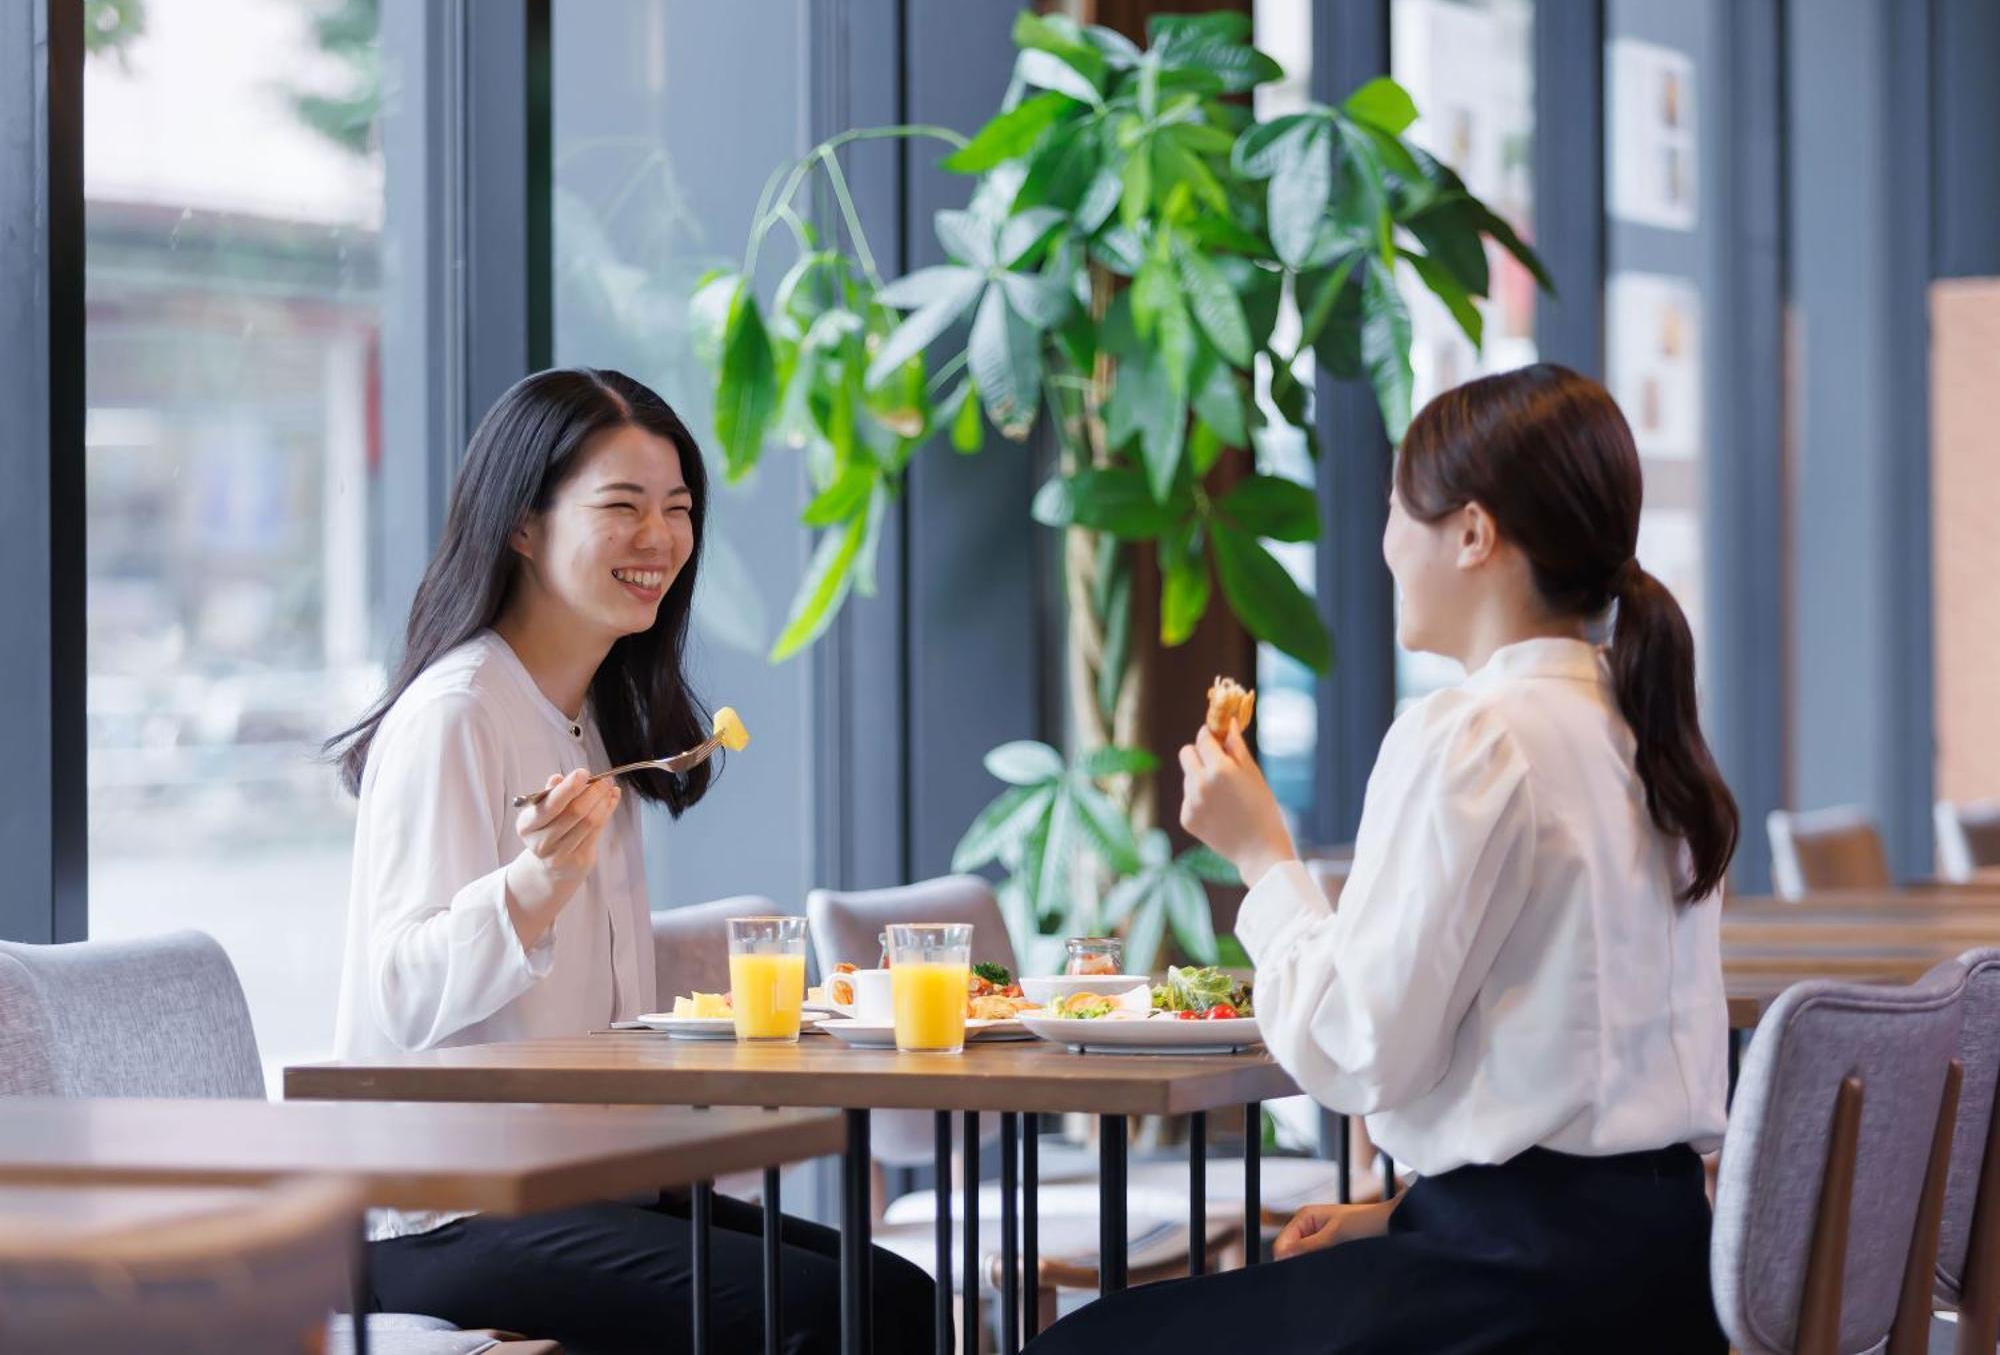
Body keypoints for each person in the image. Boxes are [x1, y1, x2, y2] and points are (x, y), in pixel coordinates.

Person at [1030, 364, 1734, 1353]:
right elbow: (1568, 1076)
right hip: (1657, 1281)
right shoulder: (1641, 729)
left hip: (1517, 1296)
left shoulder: (1473, 733)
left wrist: (1262, 858)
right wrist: (1399, 1215)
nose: (1382, 542)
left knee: (1081, 1345)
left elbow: (1357, 1048)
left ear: (1473, 534)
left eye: (1397, 510)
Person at [326, 367, 934, 1355]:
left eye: (678, 509)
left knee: (897, 1293)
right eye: (622, 507)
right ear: (522, 526)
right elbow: (394, 995)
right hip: (445, 1208)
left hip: (586, 1180)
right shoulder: (457, 713)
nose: (659, 538)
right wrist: (529, 890)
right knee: (827, 1316)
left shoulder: (592, 714)